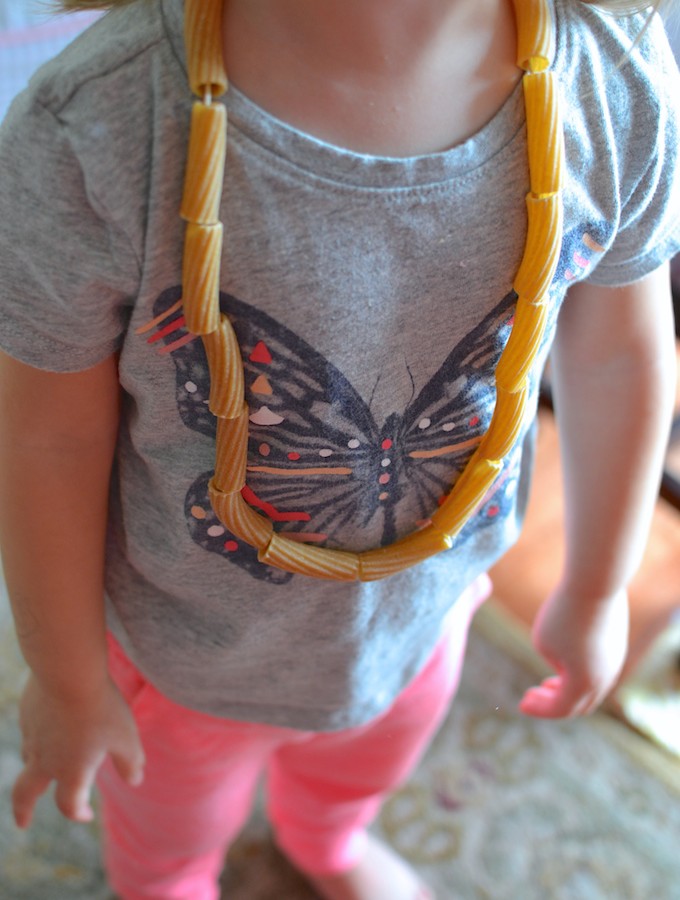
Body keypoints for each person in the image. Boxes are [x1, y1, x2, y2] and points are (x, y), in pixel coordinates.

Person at [0, 0, 678, 897]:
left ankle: (323, 843)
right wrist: (68, 680)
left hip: (422, 621)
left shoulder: (609, 71)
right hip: (182, 660)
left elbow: (620, 354)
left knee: (355, 779)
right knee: (165, 838)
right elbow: (47, 436)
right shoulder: (94, 124)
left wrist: (595, 586)